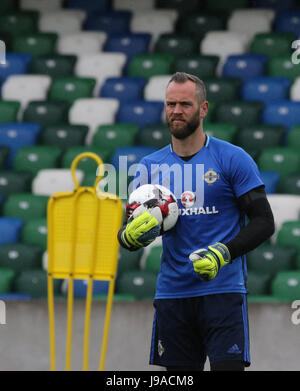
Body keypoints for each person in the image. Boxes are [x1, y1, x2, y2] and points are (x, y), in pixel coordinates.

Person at [117, 72, 275, 371]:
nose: (176, 111)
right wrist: (127, 238)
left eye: (185, 104)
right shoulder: (150, 167)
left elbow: (264, 222)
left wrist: (222, 253)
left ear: (203, 109)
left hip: (222, 293)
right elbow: (128, 231)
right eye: (170, 104)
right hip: (173, 295)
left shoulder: (233, 158)